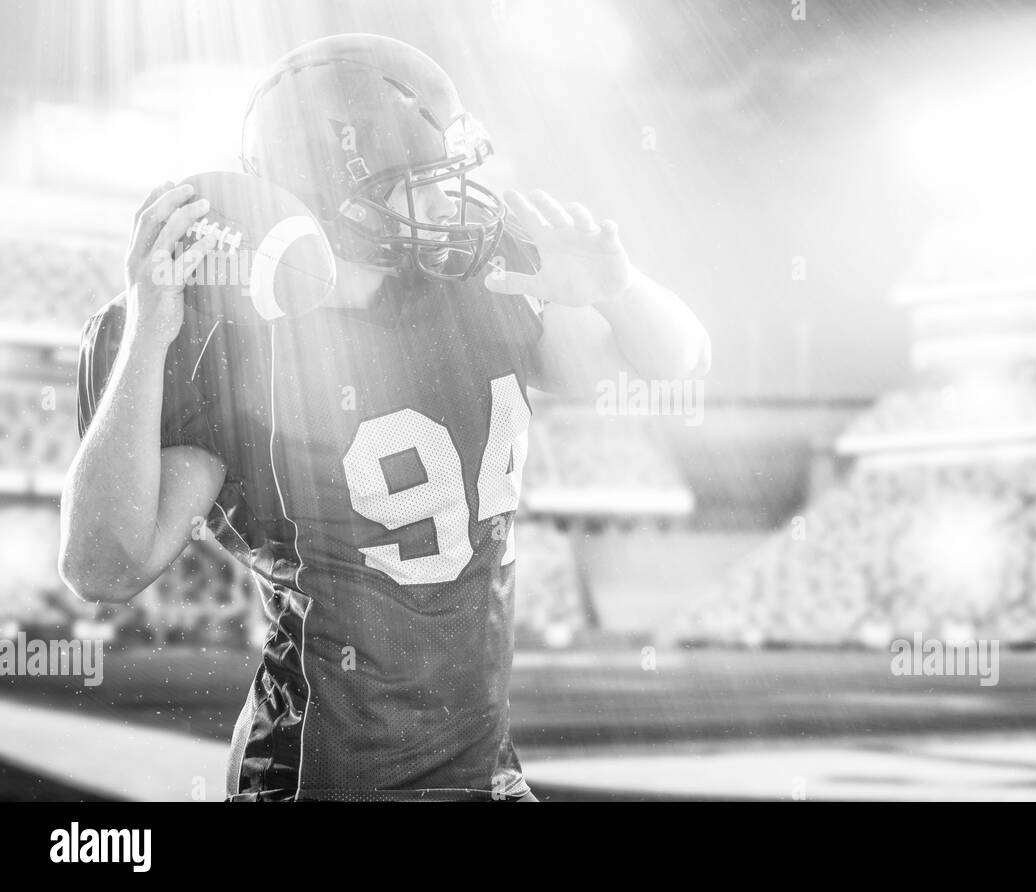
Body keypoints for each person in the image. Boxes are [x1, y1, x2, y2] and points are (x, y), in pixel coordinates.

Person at [57, 33, 710, 801]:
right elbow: (104, 567)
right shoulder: (230, 336)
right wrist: (147, 333)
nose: (448, 202)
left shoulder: (476, 283)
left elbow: (677, 361)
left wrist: (616, 287)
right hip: (324, 777)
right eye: (422, 183)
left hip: (481, 767)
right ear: (338, 191)